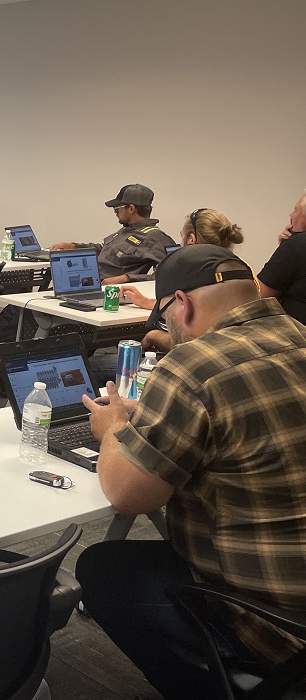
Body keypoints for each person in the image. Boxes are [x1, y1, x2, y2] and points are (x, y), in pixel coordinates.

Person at [76, 245, 306, 700]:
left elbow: (128, 496)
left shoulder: (192, 365)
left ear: (181, 303)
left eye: (164, 320)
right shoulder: (298, 334)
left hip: (278, 621)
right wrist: (160, 412)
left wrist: (113, 428)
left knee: (102, 569)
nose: (169, 331)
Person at [121, 207, 245, 352]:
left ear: (191, 239)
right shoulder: (241, 271)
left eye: (182, 237)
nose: (180, 244)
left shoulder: (190, 276)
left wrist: (153, 336)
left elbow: (191, 342)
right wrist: (146, 302)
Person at [50, 183, 175, 285]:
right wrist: (74, 246)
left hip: (109, 291)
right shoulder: (126, 230)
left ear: (131, 209)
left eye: (117, 208)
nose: (115, 212)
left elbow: (172, 274)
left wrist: (127, 278)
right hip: (87, 282)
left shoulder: (155, 237)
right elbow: (104, 249)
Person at [257, 191, 306, 326]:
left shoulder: (297, 245)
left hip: (294, 334)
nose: (291, 215)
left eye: (296, 210)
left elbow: (260, 296)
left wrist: (288, 247)